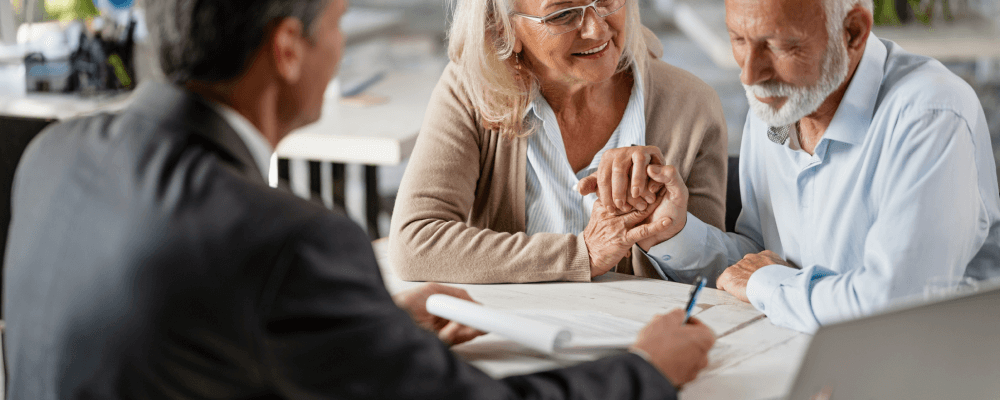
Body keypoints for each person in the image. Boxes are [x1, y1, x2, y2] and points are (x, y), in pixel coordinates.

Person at [2, 0, 717, 398]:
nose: (342, 47)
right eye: (339, 23)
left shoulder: (51, 157)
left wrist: (359, 328)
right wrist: (645, 372)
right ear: (288, 49)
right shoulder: (287, 242)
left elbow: (186, 345)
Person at [601, 0, 1000, 332]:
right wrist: (674, 231)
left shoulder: (932, 114)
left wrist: (766, 282)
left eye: (779, 46)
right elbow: (761, 259)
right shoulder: (779, 98)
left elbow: (894, 310)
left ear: (854, 33)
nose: (749, 73)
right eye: (739, 39)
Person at [388, 0, 728, 283]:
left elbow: (715, 280)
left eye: (607, 0)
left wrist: (671, 231)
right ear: (503, 29)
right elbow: (415, 242)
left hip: (641, 344)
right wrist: (583, 254)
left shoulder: (692, 105)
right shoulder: (472, 90)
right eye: (563, 14)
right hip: (513, 336)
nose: (597, 29)